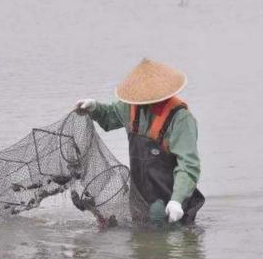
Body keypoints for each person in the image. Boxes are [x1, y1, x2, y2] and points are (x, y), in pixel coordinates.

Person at [75, 58, 204, 225]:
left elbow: (189, 165)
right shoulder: (131, 107)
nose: (144, 100)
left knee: (165, 236)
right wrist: (95, 108)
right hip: (139, 198)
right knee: (140, 242)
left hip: (170, 202)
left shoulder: (181, 120)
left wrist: (177, 201)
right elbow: (109, 117)